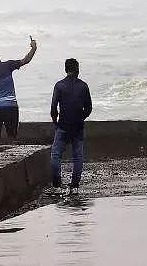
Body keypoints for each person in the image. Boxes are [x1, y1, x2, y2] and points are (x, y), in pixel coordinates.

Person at [0, 36, 37, 143]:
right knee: (12, 138)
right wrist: (33, 48)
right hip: (10, 107)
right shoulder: (8, 65)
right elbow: (26, 60)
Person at [50, 58, 92, 196]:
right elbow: (89, 108)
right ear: (77, 69)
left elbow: (53, 108)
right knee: (78, 157)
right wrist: (81, 118)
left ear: (65, 69)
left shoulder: (59, 85)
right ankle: (74, 186)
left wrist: (56, 122)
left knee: (56, 155)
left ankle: (57, 186)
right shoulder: (83, 86)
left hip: (63, 126)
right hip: (78, 127)